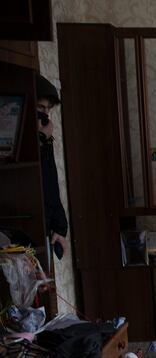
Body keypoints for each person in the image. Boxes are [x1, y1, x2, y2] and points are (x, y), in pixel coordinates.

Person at [36, 74, 68, 260]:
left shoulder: (45, 140)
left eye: (48, 109)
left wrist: (59, 227)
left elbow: (50, 185)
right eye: (41, 107)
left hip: (48, 227)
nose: (45, 114)